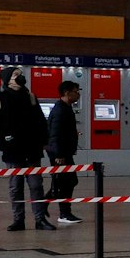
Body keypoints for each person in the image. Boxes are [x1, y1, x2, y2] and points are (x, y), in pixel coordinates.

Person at [0, 66, 52, 232]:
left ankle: (40, 219)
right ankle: (18, 220)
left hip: (32, 151)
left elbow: (42, 122)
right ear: (7, 79)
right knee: (16, 187)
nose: (20, 78)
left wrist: (43, 141)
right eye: (16, 75)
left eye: (21, 75)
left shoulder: (31, 97)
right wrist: (3, 145)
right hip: (13, 153)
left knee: (36, 185)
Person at [47, 80, 83, 224]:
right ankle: (63, 213)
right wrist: (59, 155)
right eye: (76, 91)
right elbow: (55, 135)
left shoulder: (65, 108)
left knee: (65, 182)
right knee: (66, 182)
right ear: (67, 93)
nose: (78, 94)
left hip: (64, 152)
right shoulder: (61, 110)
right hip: (60, 154)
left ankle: (45, 205)